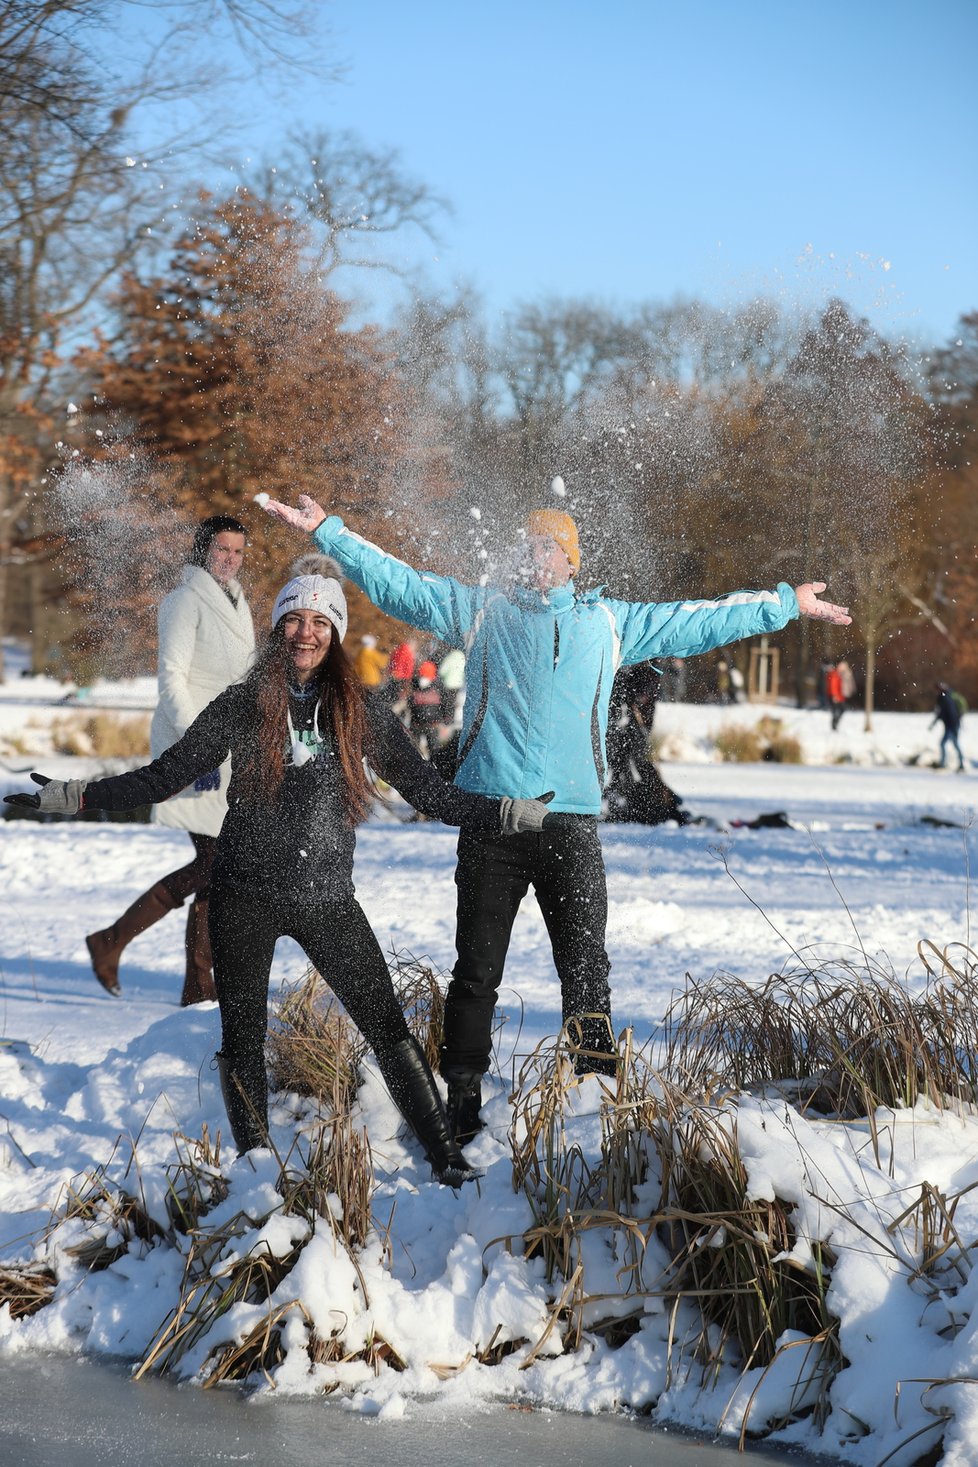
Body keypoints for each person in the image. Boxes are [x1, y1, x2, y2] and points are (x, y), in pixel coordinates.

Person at [260, 494, 852, 1144]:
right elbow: (398, 583)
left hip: (570, 823)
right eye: (528, 546)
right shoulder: (481, 611)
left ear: (571, 561)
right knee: (477, 969)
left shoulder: (609, 621)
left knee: (585, 963)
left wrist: (784, 603)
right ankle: (461, 1094)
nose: (536, 557)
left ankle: (594, 1085)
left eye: (550, 547)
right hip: (492, 820)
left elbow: (697, 621)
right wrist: (329, 532)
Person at [6, 576, 554, 1185]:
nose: (306, 633)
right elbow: (164, 776)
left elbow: (427, 790)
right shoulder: (242, 704)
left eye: (320, 622)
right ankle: (258, 1175)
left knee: (386, 1027)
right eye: (294, 620)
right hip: (243, 895)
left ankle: (446, 1159)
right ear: (277, 629)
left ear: (336, 633)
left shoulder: (362, 709)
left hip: (327, 898)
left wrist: (501, 812)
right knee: (241, 1039)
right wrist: (75, 796)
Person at [86, 514, 255, 1006]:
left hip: (227, 748)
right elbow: (171, 680)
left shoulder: (237, 602)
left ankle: (193, 986)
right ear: (204, 550)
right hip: (193, 748)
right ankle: (121, 945)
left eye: (239, 552)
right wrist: (195, 746)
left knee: (217, 867)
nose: (230, 559)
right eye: (223, 550)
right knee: (219, 863)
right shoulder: (184, 602)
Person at [931, 682, 966, 771]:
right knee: (954, 744)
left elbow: (948, 713)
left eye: (937, 689)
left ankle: (944, 764)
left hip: (952, 725)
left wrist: (952, 725)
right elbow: (942, 713)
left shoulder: (945, 698)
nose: (936, 691)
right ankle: (960, 764)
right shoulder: (944, 697)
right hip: (952, 724)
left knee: (945, 743)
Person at [826, 662, 846, 730]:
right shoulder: (834, 674)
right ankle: (834, 724)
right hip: (835, 696)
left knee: (841, 709)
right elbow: (832, 686)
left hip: (840, 696)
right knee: (837, 710)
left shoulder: (840, 674)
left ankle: (835, 724)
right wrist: (834, 695)